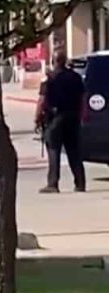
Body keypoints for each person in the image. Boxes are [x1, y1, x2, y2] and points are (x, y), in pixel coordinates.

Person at [36, 50, 86, 193]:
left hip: (55, 119)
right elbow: (83, 98)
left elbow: (42, 101)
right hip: (73, 117)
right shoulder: (76, 77)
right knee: (74, 151)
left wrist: (37, 118)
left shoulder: (49, 80)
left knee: (53, 150)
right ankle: (80, 183)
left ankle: (53, 184)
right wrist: (81, 115)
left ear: (53, 61)